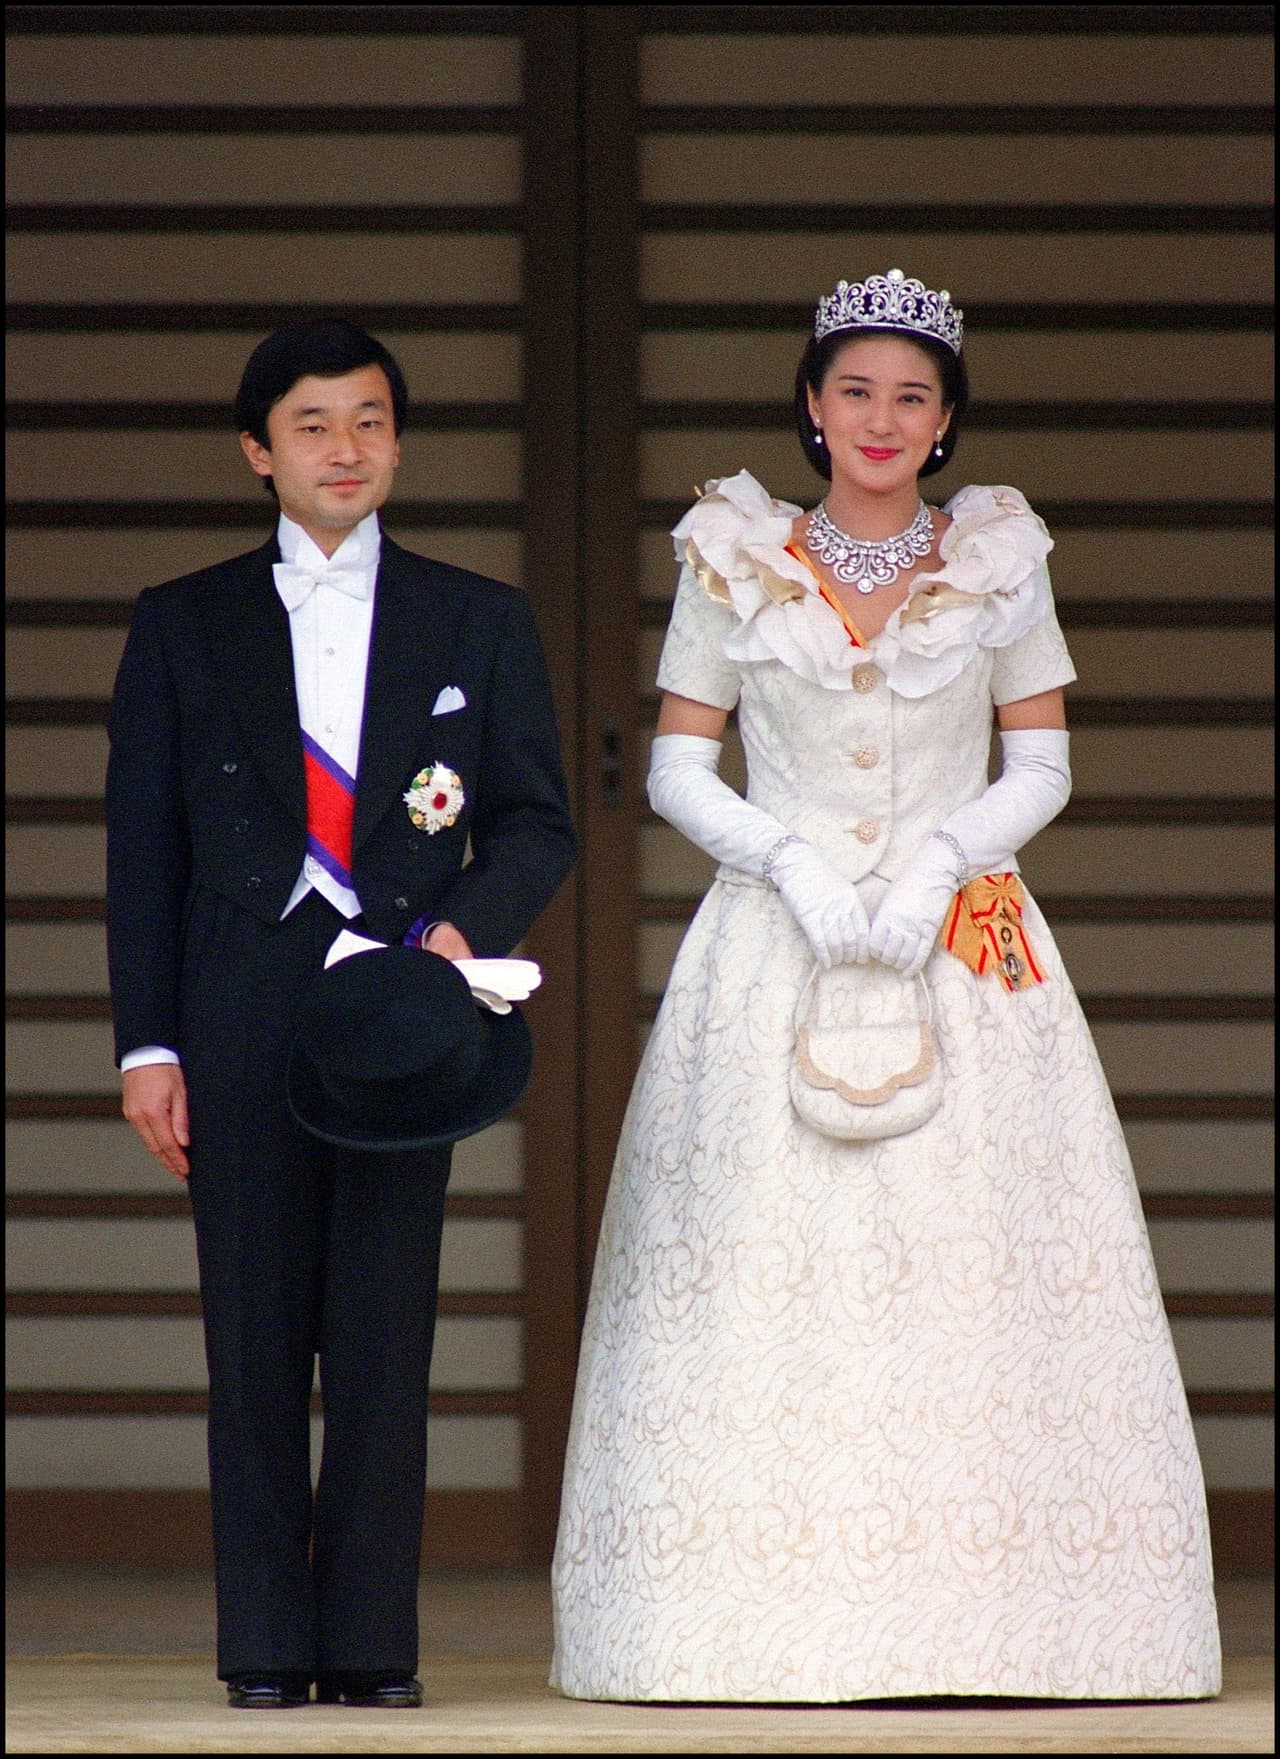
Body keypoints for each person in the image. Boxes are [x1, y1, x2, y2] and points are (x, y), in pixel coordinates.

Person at [550, 271, 1221, 1702]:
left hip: (964, 942)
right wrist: (789, 862)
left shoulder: (1000, 557)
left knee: (975, 1278)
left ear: (946, 423)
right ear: (810, 405)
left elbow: (1041, 759)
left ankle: (1001, 1631)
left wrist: (938, 867)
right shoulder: (733, 554)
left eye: (911, 396)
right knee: (761, 1282)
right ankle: (731, 1633)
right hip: (772, 942)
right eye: (854, 389)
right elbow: (676, 764)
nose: (880, 417)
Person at [106, 320, 576, 1708]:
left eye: (369, 421)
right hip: (236, 1004)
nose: (345, 449)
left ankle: (371, 1641)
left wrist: (459, 934)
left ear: (398, 442)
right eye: (312, 425)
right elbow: (144, 851)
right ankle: (261, 1642)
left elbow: (539, 822)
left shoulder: (475, 617)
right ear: (259, 451)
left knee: (385, 1331)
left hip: (401, 1007)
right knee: (249, 1337)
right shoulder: (182, 621)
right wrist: (150, 1043)